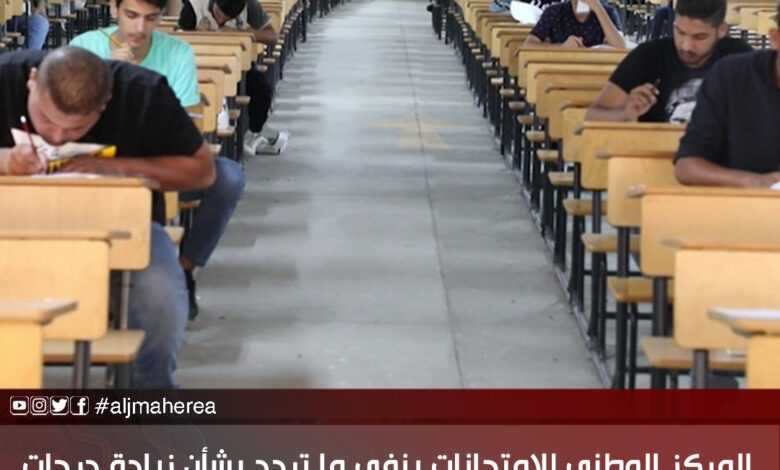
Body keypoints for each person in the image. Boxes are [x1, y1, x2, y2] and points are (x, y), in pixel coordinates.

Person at [0, 47, 216, 388]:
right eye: (46, 120)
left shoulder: (143, 94)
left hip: (124, 229)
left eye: (76, 128)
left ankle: (148, 397)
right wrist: (4, 161)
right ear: (31, 82)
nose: (56, 137)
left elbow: (203, 171)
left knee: (160, 297)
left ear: (105, 104)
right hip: (10, 227)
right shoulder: (4, 76)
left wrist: (114, 168)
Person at [69, 0, 246, 320]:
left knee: (229, 177)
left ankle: (183, 269)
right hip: (95, 169)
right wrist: (108, 77)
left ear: (162, 17)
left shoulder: (177, 53)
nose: (139, 28)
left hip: (158, 167)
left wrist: (135, 82)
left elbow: (184, 131)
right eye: (131, 15)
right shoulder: (83, 48)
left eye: (150, 18)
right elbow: (69, 125)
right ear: (114, 9)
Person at [586, 0, 751, 124]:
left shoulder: (740, 58)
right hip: (653, 156)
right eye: (680, 32)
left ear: (721, 30)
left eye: (699, 37)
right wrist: (626, 113)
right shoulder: (649, 56)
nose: (686, 46)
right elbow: (592, 116)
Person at [674, 2, 780, 188]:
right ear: (775, 38)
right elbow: (687, 165)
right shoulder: (731, 75)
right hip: (740, 202)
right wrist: (755, 182)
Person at [178, 0, 289, 156]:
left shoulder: (250, 5)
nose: (221, 21)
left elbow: (272, 36)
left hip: (235, 66)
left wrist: (241, 34)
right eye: (217, 14)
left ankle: (253, 133)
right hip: (197, 68)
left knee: (262, 88)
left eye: (228, 18)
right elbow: (179, 39)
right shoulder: (194, 7)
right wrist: (200, 34)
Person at [523, 0, 625, 49]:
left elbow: (620, 47)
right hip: (559, 73)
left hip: (596, 72)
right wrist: (562, 47)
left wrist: (598, 8)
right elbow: (528, 45)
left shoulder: (608, 12)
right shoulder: (554, 12)